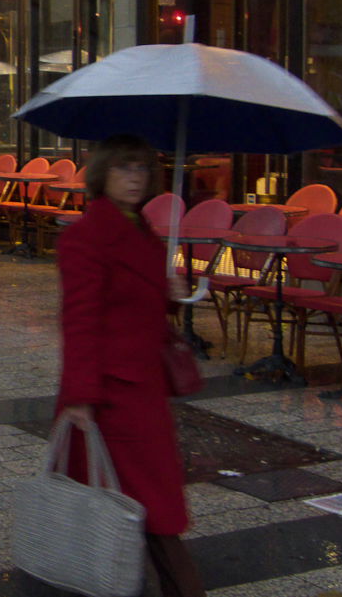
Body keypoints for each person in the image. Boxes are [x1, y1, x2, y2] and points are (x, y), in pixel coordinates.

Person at [52, 134, 204, 597]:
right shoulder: (87, 237)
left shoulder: (141, 229)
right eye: (123, 168)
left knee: (142, 503)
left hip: (142, 387)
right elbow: (79, 319)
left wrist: (173, 292)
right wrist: (79, 396)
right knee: (146, 505)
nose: (135, 178)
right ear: (102, 174)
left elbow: (141, 304)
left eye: (141, 169)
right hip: (111, 393)